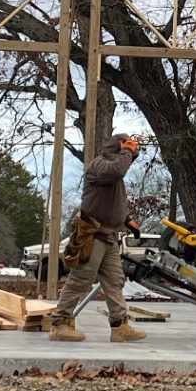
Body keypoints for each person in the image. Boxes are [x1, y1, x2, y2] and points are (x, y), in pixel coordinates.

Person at [48, 133, 148, 344]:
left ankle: (120, 326)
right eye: (126, 152)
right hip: (92, 235)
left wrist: (126, 220)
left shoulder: (114, 177)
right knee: (80, 279)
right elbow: (117, 170)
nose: (129, 158)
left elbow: (108, 202)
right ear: (117, 149)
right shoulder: (100, 166)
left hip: (109, 236)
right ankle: (60, 324)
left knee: (114, 281)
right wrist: (127, 149)